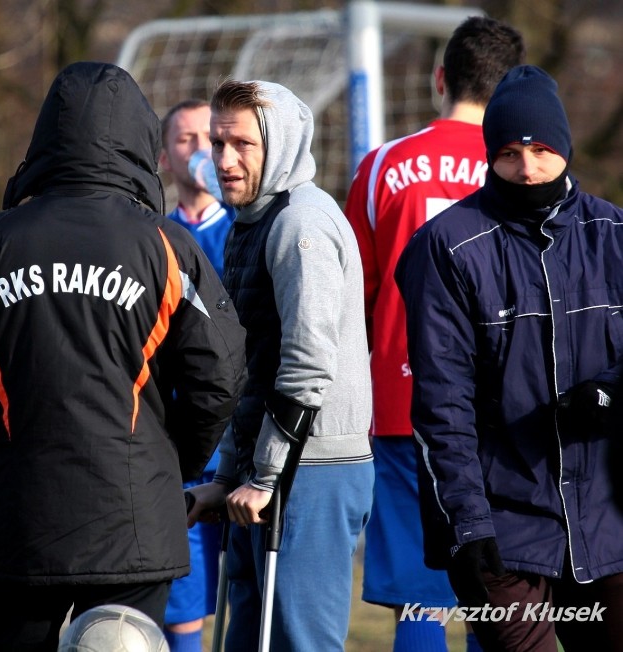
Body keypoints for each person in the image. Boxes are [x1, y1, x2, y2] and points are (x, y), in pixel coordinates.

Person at [0, 61, 247, 651]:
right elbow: (219, 375)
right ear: (141, 139)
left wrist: (3, 452)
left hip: (21, 519)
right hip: (134, 521)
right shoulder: (166, 245)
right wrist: (170, 463)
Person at [395, 64, 623, 651]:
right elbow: (442, 403)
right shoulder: (446, 246)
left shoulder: (614, 233)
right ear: (489, 154)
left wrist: (609, 392)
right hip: (501, 525)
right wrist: (467, 522)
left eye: (543, 149)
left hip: (608, 516)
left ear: (566, 148)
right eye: (510, 153)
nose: (527, 168)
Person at [344, 16, 525, 652]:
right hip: (504, 414)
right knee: (500, 598)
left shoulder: (382, 167)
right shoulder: (519, 168)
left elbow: (353, 298)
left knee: (422, 603)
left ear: (439, 78)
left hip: (404, 407)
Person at [186, 79, 374, 651]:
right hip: (267, 470)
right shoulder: (252, 221)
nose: (224, 159)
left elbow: (307, 364)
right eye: (217, 144)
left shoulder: (301, 225)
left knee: (300, 641)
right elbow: (251, 365)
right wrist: (227, 476)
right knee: (251, 635)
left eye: (242, 144)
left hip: (309, 471)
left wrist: (262, 477)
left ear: (283, 144)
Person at [158, 98, 235, 652]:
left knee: (248, 594)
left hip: (240, 443)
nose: (200, 150)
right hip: (175, 442)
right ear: (163, 156)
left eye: (209, 137)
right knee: (181, 598)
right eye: (185, 139)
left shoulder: (247, 231)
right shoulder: (151, 237)